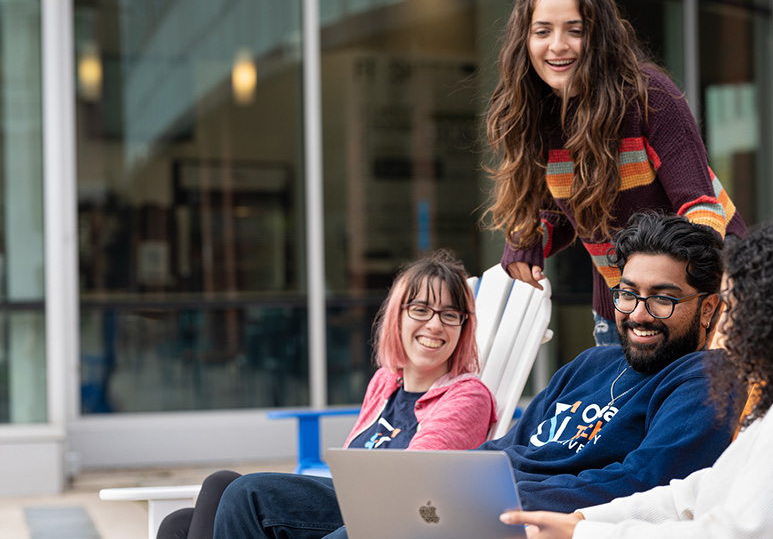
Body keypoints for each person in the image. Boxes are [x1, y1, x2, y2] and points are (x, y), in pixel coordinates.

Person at [212, 213, 740, 539]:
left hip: (512, 521)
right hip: (455, 494)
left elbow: (642, 483)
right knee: (249, 497)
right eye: (628, 293)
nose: (640, 312)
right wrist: (446, 478)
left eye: (664, 298)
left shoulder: (703, 380)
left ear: (710, 308)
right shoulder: (589, 364)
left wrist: (503, 496)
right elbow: (514, 443)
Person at [500, 220, 773, 539]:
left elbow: (733, 534)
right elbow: (689, 496)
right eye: (628, 293)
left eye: (731, 307)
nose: (725, 326)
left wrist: (586, 533)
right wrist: (582, 521)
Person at [157, 249, 496, 539]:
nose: (435, 325)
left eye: (450, 315)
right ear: (398, 318)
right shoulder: (385, 382)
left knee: (245, 493)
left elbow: (407, 485)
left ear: (463, 328)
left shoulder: (467, 397)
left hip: (386, 517)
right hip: (350, 503)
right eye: (421, 310)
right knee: (181, 522)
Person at [486, 0, 748, 346]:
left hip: (705, 296)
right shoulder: (539, 114)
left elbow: (702, 212)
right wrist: (527, 241)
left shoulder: (648, 96)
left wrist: (686, 301)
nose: (557, 46)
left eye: (574, 30)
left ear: (598, 36)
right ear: (524, 41)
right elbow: (563, 210)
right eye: (542, 31)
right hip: (620, 305)